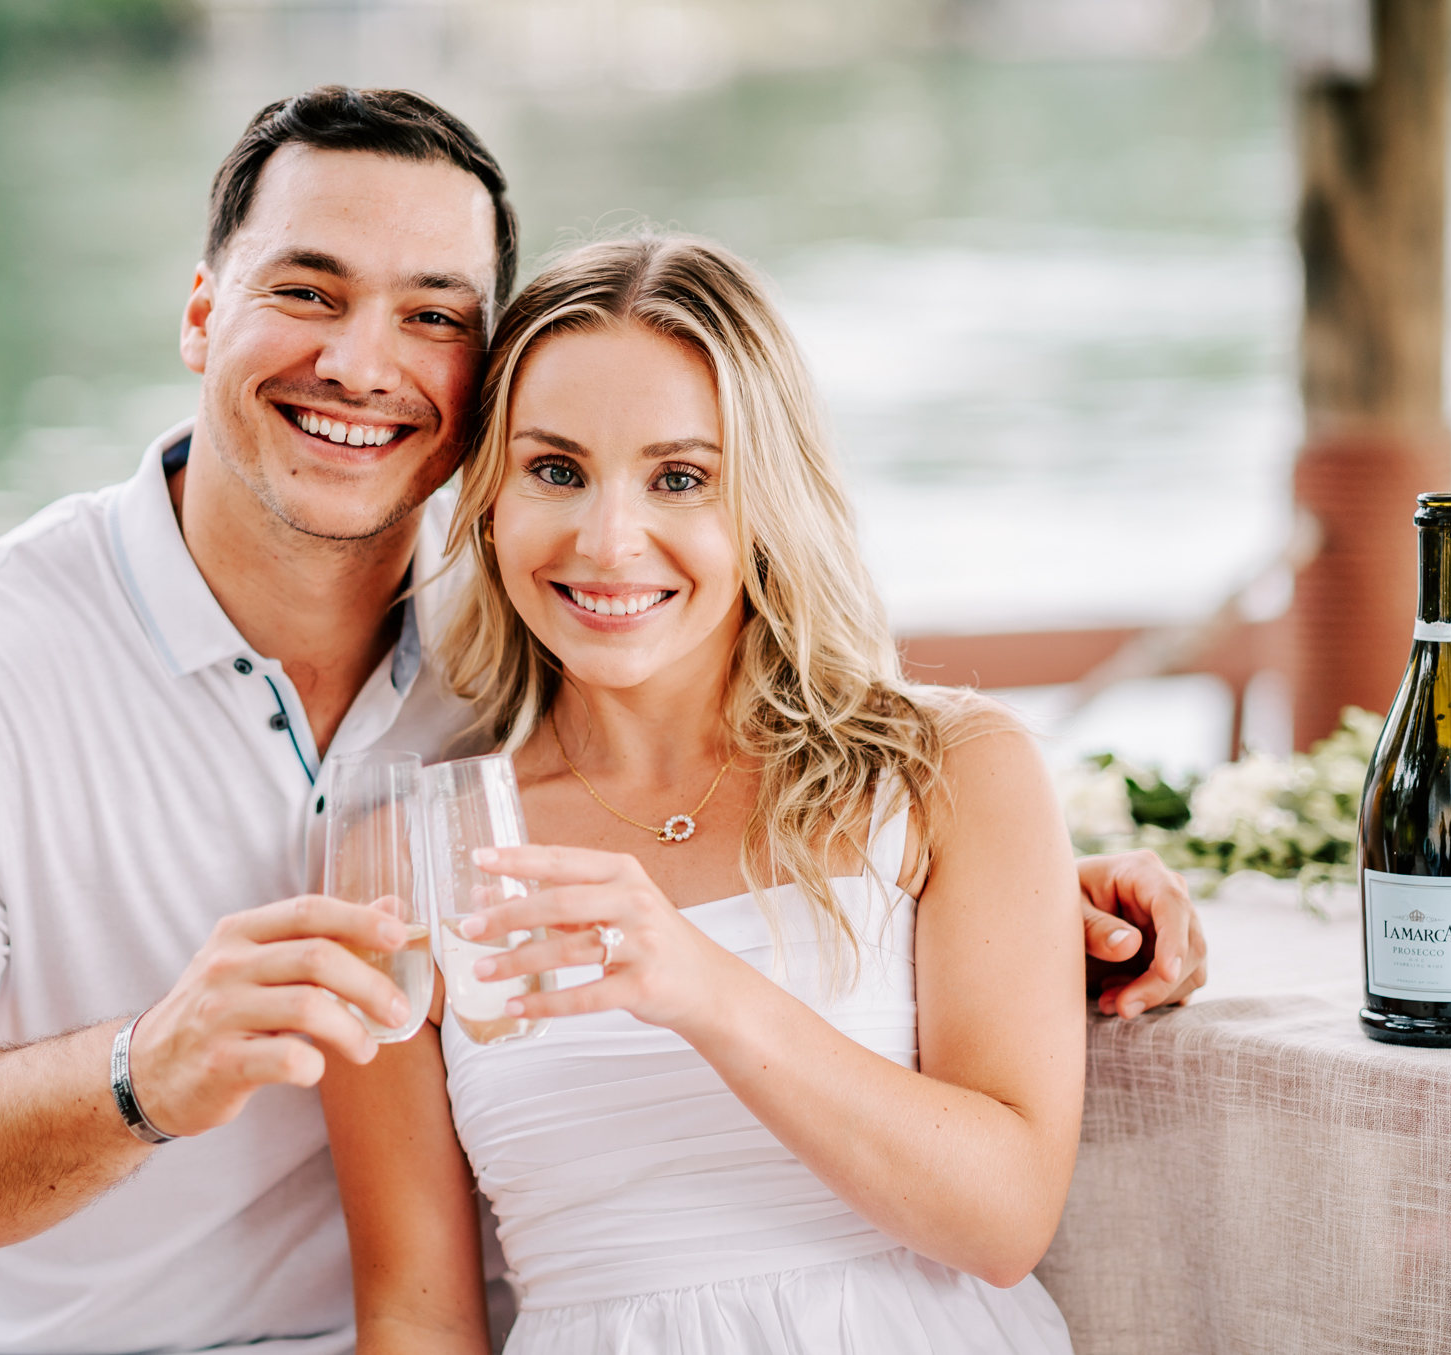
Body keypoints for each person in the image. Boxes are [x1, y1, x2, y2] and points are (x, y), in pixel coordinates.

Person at [0, 88, 1203, 1355]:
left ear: (468, 401)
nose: (363, 362)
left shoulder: (528, 637)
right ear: (203, 309)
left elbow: (803, 835)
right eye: (309, 291)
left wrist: (1032, 906)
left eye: (434, 315)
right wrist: (152, 1065)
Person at [322, 232, 1088, 1354]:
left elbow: (1003, 1218)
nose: (607, 539)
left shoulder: (951, 771)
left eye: (679, 478)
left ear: (764, 500)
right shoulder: (406, 853)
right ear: (487, 501)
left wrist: (699, 986)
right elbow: (415, 1310)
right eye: (554, 469)